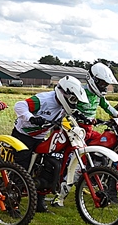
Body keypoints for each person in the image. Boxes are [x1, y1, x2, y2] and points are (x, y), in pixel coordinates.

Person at [11, 76, 88, 210]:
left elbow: (71, 112)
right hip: (23, 135)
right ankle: (12, 201)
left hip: (41, 137)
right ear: (64, 93)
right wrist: (31, 118)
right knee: (22, 167)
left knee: (48, 165)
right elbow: (20, 105)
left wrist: (82, 117)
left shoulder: (64, 106)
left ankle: (39, 201)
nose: (73, 103)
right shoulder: (44, 100)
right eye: (73, 99)